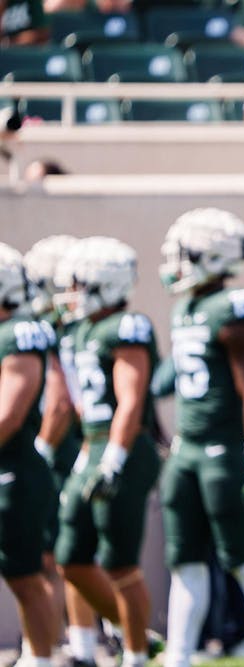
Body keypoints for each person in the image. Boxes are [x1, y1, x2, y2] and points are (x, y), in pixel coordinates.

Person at [158, 208, 244, 667]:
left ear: (211, 255)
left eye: (183, 253)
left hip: (223, 452)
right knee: (185, 561)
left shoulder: (234, 305)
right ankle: (179, 656)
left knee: (242, 560)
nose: (174, 263)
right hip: (186, 450)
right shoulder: (185, 307)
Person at [50, 237, 162, 667]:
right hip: (94, 447)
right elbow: (83, 405)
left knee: (120, 564)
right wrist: (86, 453)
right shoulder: (81, 331)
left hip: (125, 451)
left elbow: (130, 402)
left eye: (79, 285)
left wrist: (113, 458)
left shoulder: (127, 326)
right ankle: (140, 637)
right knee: (71, 558)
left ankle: (134, 656)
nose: (71, 295)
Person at [23, 236, 106, 667]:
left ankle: (70, 647)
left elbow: (61, 403)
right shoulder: (76, 328)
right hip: (74, 446)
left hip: (65, 448)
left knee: (59, 556)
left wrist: (37, 450)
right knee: (65, 555)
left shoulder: (67, 332)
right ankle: (79, 644)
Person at [0, 242, 59, 667]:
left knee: (25, 576)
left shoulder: (19, 332)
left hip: (13, 468)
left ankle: (40, 660)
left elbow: (9, 414)